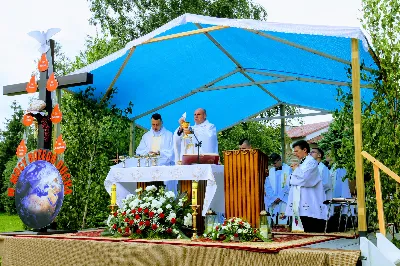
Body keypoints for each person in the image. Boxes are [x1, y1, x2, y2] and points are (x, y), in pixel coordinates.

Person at [285, 140, 327, 233]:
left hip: (308, 197)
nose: (295, 153)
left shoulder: (311, 162)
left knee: (308, 222)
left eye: (296, 151)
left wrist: (295, 171)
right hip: (300, 197)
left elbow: (305, 179)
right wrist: (294, 173)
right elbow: (293, 179)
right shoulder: (303, 163)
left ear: (304, 150)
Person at [136, 113, 177, 192]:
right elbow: (139, 151)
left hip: (164, 167)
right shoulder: (146, 136)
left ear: (161, 123)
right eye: (153, 124)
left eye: (157, 125)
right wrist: (148, 152)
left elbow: (173, 152)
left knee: (165, 191)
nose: (155, 127)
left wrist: (160, 153)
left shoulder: (169, 135)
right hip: (149, 168)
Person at [264, 153, 292, 226]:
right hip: (273, 200)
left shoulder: (288, 169)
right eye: (272, 163)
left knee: (283, 219)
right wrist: (273, 197)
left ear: (280, 160)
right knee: (273, 221)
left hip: (284, 199)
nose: (273, 165)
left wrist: (280, 197)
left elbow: (289, 184)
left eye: (275, 163)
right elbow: (267, 185)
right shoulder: (271, 171)